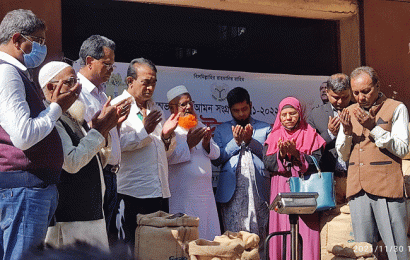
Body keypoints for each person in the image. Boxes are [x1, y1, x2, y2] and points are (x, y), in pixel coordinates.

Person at [0, 9, 80, 259]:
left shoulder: (19, 73)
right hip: (23, 189)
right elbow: (23, 135)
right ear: (16, 40)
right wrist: (56, 109)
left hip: (30, 189)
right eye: (39, 41)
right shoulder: (7, 73)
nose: (43, 48)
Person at [38, 61, 130, 251]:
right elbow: (71, 162)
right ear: (50, 87)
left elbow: (93, 160)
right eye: (71, 81)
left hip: (90, 212)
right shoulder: (49, 119)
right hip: (71, 217)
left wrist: (102, 131)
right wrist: (99, 131)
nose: (78, 87)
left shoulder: (72, 114)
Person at [336, 66, 409, 260]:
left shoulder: (396, 107)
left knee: (397, 249)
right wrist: (348, 133)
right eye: (356, 92)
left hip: (386, 187)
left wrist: (373, 128)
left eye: (366, 91)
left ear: (378, 86)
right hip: (357, 189)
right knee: (364, 252)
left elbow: (402, 148)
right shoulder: (348, 112)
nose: (361, 97)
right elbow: (343, 155)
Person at [111, 58, 179, 250]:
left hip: (159, 191)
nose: (150, 88)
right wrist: (144, 131)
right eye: (145, 82)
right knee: (129, 248)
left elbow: (163, 151)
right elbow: (115, 146)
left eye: (153, 82)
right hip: (131, 193)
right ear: (130, 81)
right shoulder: (118, 106)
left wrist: (166, 136)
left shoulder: (155, 109)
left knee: (157, 249)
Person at [264, 97, 326, 260]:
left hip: (305, 188)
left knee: (306, 233)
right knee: (282, 230)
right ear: (279, 116)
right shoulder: (273, 136)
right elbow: (267, 163)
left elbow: (319, 161)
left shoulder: (311, 133)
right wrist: (282, 155)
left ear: (300, 113)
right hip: (281, 188)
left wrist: (298, 155)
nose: (288, 118)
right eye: (284, 114)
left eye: (292, 113)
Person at [212, 87, 271, 257]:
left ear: (251, 105)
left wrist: (250, 141)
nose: (241, 114)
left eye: (244, 109)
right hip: (232, 194)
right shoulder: (222, 130)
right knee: (233, 238)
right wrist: (236, 143)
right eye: (236, 111)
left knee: (259, 237)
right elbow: (217, 159)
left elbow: (270, 158)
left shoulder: (264, 128)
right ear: (229, 110)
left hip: (258, 193)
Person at [77, 35, 128, 232]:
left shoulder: (101, 93)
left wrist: (116, 124)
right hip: (91, 174)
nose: (110, 69)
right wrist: (100, 125)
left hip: (111, 174)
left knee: (105, 237)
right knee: (92, 237)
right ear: (90, 61)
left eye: (112, 65)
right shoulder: (77, 91)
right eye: (106, 64)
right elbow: (77, 134)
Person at [166, 85, 221, 241]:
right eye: (183, 104)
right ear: (172, 108)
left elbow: (216, 153)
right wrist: (188, 144)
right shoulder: (170, 130)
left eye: (190, 103)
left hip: (206, 198)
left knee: (208, 240)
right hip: (183, 197)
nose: (189, 107)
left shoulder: (200, 125)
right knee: (186, 241)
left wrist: (206, 143)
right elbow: (167, 158)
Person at [308, 73, 352, 204]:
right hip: (328, 178)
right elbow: (310, 146)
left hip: (354, 177)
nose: (340, 101)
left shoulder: (359, 111)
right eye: (335, 97)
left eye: (345, 97)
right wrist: (330, 134)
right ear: (327, 92)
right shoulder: (316, 114)